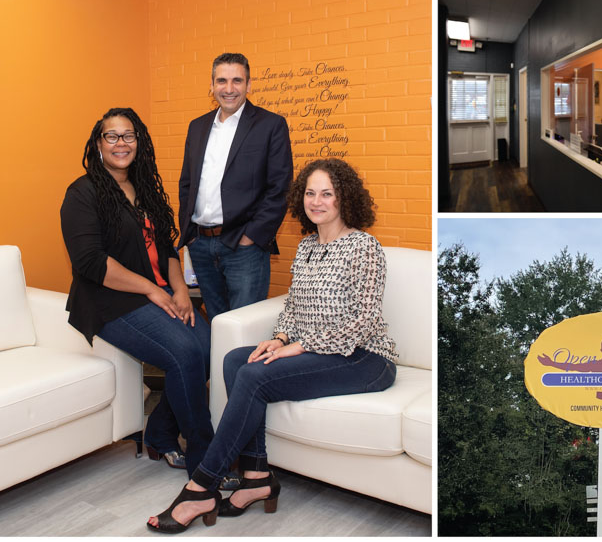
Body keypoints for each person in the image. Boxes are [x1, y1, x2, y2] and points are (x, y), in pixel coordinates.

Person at [147, 159, 398, 533]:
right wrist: (279, 338)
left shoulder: (363, 247)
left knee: (252, 376)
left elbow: (360, 322)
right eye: (310, 193)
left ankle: (201, 486)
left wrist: (297, 347)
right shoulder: (307, 247)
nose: (317, 201)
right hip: (319, 350)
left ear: (344, 198)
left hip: (364, 358)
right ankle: (256, 475)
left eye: (327, 193)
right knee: (236, 359)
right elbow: (293, 308)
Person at [60, 108, 213, 478]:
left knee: (208, 346)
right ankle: (206, 461)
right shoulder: (82, 193)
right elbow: (91, 263)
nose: (120, 143)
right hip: (109, 301)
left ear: (139, 142)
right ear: (98, 144)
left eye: (128, 136)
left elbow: (166, 247)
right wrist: (153, 290)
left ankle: (159, 434)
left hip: (155, 293)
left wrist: (177, 289)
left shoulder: (144, 188)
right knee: (185, 352)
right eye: (111, 136)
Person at [178, 52, 293, 320]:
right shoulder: (197, 127)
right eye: (222, 81)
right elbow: (187, 183)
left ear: (249, 85)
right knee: (218, 323)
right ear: (212, 85)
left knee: (243, 328)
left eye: (237, 81)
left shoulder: (270, 125)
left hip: (244, 247)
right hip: (201, 245)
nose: (229, 89)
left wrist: (250, 237)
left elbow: (280, 188)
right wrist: (191, 235)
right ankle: (220, 365)